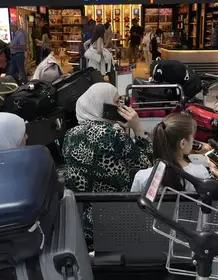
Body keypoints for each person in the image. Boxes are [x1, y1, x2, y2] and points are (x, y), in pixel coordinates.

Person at [63, 83, 152, 246]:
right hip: (116, 216)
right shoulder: (112, 133)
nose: (121, 107)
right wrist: (138, 129)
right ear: (102, 105)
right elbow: (146, 165)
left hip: (83, 219)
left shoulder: (70, 134)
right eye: (117, 102)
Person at [131, 113, 209, 192]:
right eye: (192, 137)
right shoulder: (201, 173)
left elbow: (132, 204)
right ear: (183, 143)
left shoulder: (142, 177)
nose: (193, 141)